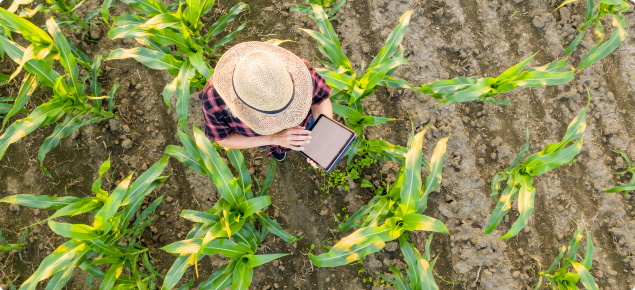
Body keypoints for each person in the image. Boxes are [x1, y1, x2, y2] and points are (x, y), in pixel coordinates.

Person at [198, 41, 333, 167]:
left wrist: (322, 136)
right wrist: (274, 139)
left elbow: (320, 100)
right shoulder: (214, 99)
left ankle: (281, 149)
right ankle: (277, 151)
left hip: (304, 127)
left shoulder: (297, 70)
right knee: (275, 148)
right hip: (262, 139)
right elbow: (224, 139)